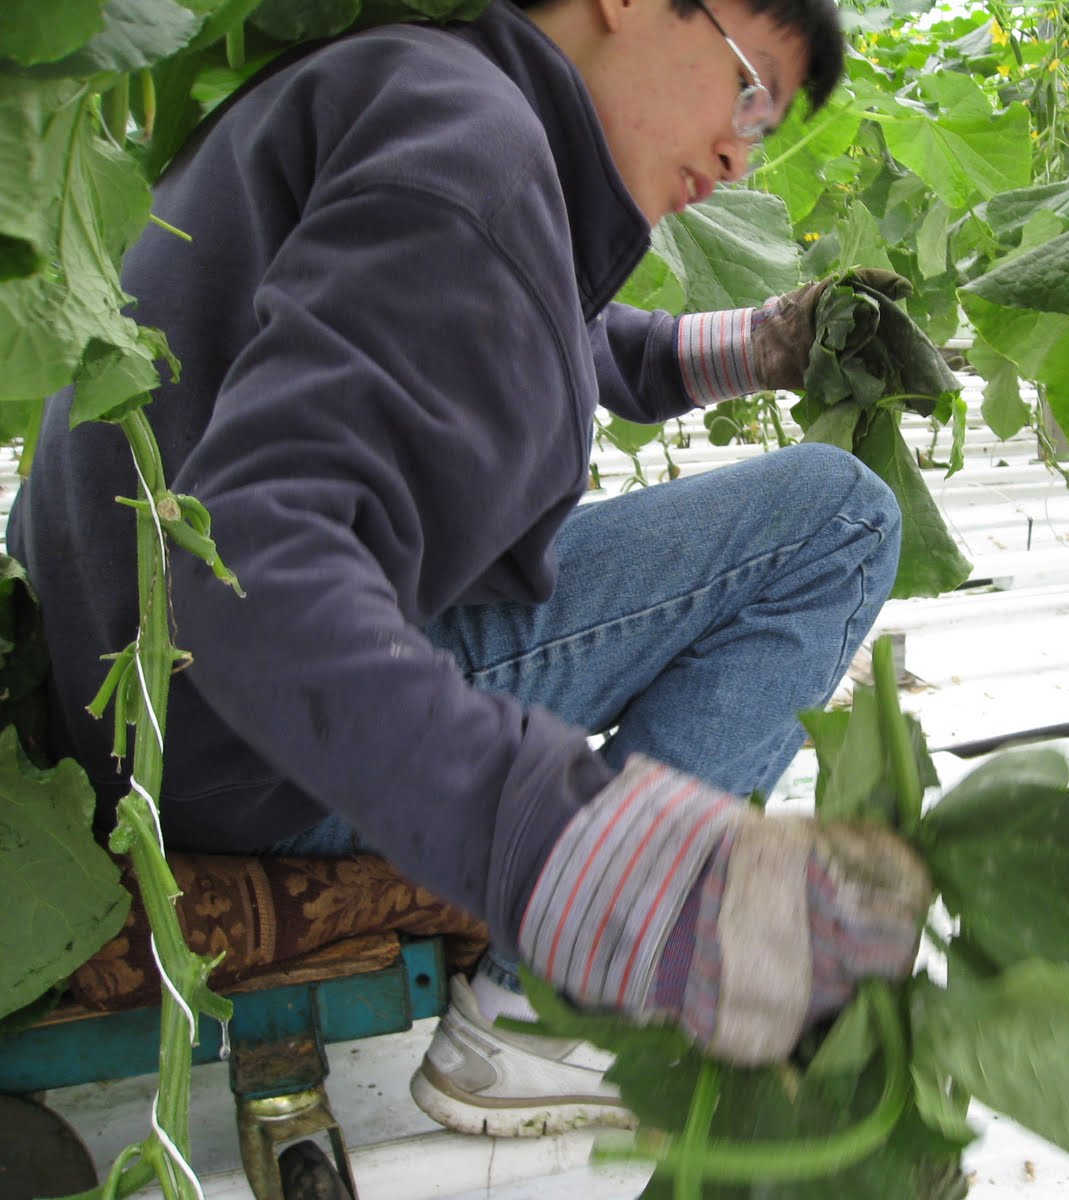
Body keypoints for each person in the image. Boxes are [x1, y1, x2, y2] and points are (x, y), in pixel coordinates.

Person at [6, 0, 931, 1141]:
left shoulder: (427, 93)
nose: (744, 149)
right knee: (830, 520)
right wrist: (566, 848)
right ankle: (547, 1014)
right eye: (747, 89)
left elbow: (542, 317)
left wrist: (766, 342)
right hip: (248, 735)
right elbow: (255, 557)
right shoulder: (476, 151)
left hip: (132, 707)